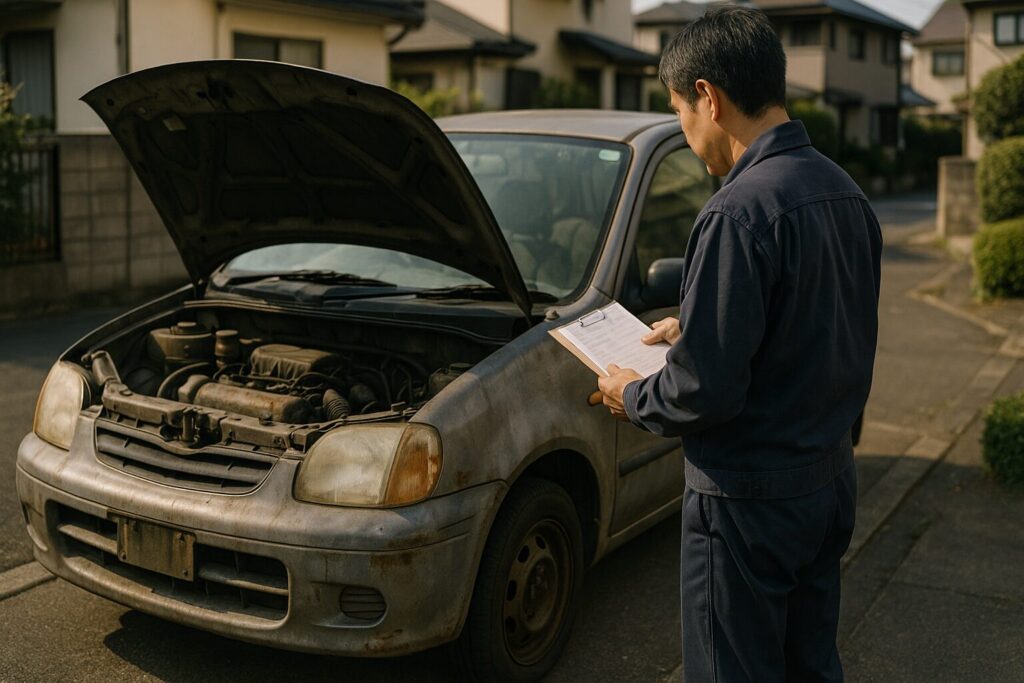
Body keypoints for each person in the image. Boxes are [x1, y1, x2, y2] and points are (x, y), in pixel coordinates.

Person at [592, 6, 882, 682]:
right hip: (828, 482)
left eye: (681, 112)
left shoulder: (736, 209)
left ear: (708, 98)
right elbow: (816, 325)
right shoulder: (844, 193)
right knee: (810, 665)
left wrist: (630, 394)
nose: (689, 135)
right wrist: (693, 326)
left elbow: (704, 389)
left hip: (747, 505)